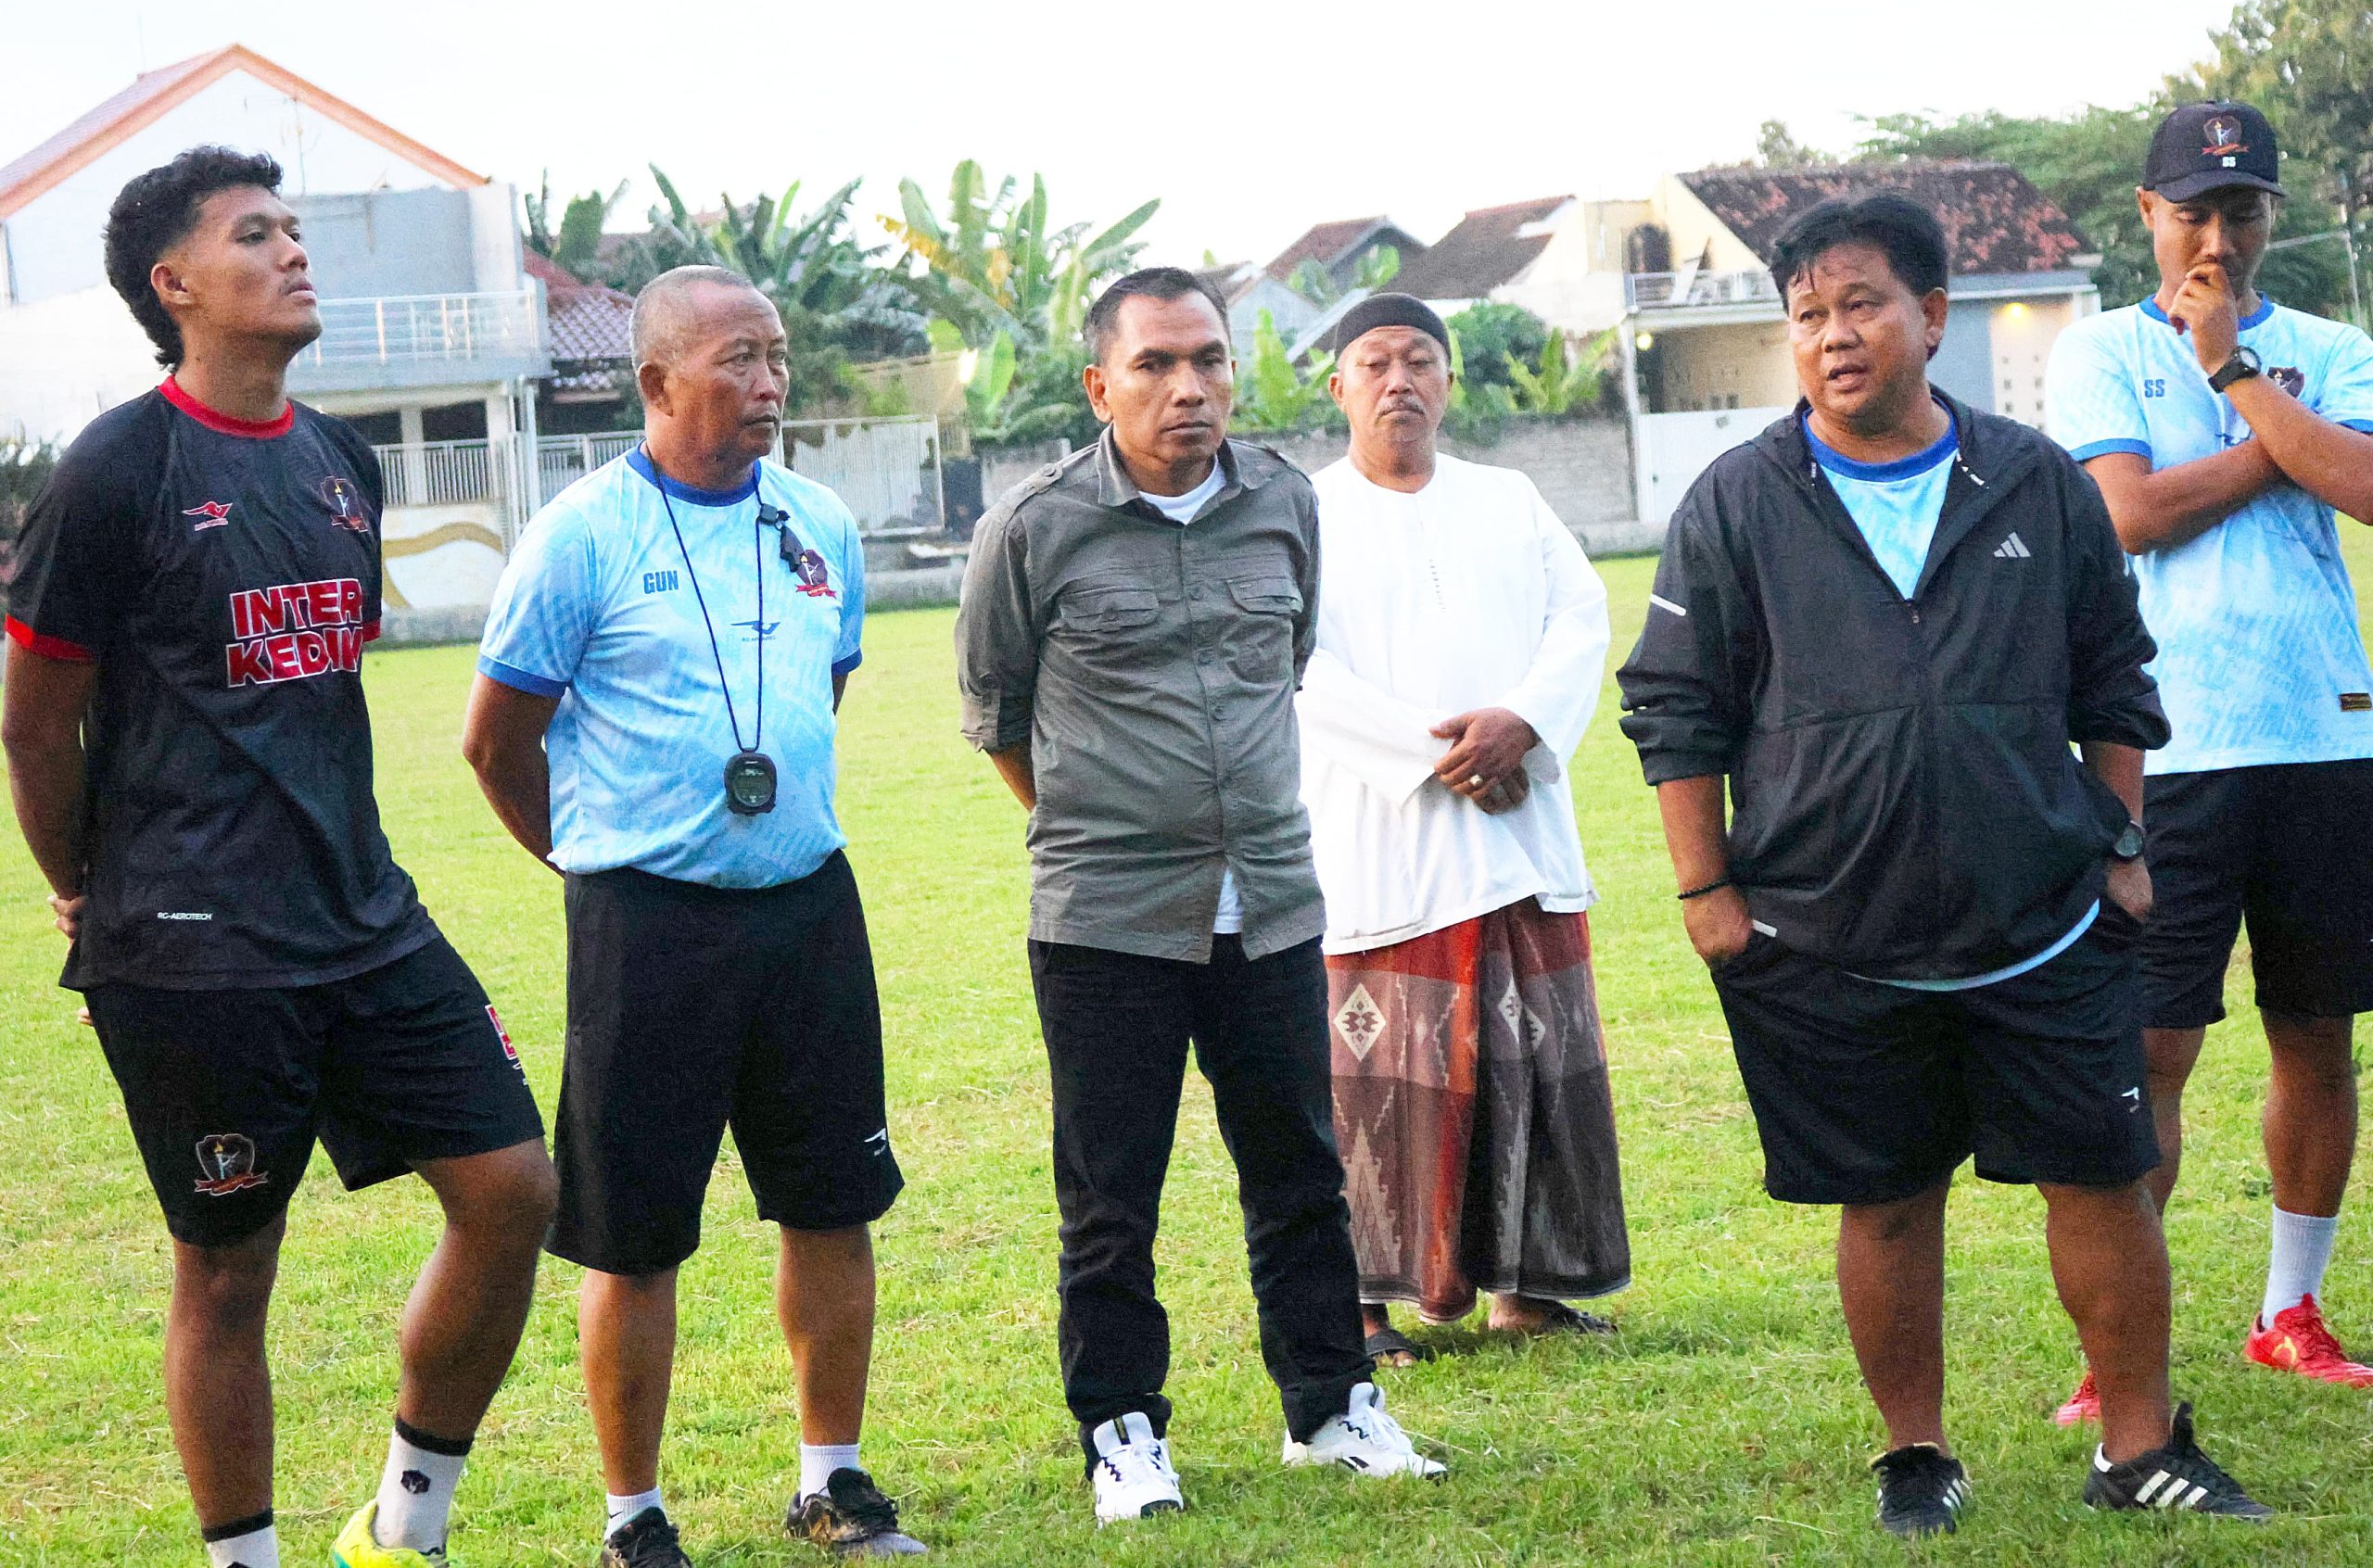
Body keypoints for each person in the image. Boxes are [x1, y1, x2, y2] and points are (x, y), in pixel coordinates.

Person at [1617, 193, 2268, 1538]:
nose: (1833, 336)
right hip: (1827, 929)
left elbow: (2113, 671)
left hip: (2043, 913)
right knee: (1888, 1196)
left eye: (1860, 305)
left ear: (1931, 315)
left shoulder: (2032, 479)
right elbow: (1674, 705)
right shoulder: (1740, 499)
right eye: (1806, 316)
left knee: (2104, 1172)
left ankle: (2138, 1441)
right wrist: (1706, 892)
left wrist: (2126, 839)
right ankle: (1915, 1449)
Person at [0, 146, 557, 1568]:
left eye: (296, 231)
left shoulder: (339, 457)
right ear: (174, 283)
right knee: (231, 1262)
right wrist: (88, 881)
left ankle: (404, 1525)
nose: (296, 253)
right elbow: (31, 722)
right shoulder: (118, 468)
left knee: (512, 1187)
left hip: (367, 916)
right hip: (193, 946)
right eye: (258, 236)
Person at [954, 266, 1445, 1525]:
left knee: (1298, 1166)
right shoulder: (1033, 527)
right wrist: (1107, 828)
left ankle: (1331, 1405)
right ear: (1098, 384)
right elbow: (999, 721)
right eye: (1159, 364)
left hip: (1273, 898)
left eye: (1212, 360)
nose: (1191, 387)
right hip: (1107, 918)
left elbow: (1283, 664)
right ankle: (1123, 1433)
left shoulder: (1283, 501)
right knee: (1111, 1192)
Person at [463, 266, 923, 1563]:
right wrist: (596, 865)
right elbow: (498, 743)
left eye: (777, 356)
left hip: (806, 909)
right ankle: (633, 1513)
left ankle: (831, 1477)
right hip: (645, 928)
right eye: (739, 359)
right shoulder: (580, 535)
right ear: (658, 381)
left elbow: (816, 697)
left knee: (833, 1202)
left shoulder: (819, 521)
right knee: (635, 1227)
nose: (771, 381)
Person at [2044, 99, 2373, 1419]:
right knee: (2155, 1045)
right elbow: (2128, 513)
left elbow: (2363, 485)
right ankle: (2119, 1347)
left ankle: (2288, 1307)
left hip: (2328, 733)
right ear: (2146, 214)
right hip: (2167, 749)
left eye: (2242, 212)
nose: (2218, 237)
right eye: (2193, 211)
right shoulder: (2099, 353)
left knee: (2319, 1034)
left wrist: (2236, 372)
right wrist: (2279, 441)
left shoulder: (2331, 346)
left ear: (2274, 216)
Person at [1294, 293, 1629, 1366]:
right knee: (1375, 1080)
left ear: (1448, 381)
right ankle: (1361, 1309)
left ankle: (1526, 1291)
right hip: (1382, 841)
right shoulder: (1301, 514)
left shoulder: (1509, 496)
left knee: (1532, 1062)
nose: (1400, 380)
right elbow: (1297, 665)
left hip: (1516, 832)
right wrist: (1440, 756)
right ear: (1336, 385)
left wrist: (1521, 724)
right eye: (1375, 362)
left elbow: (1580, 620)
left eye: (1420, 361)